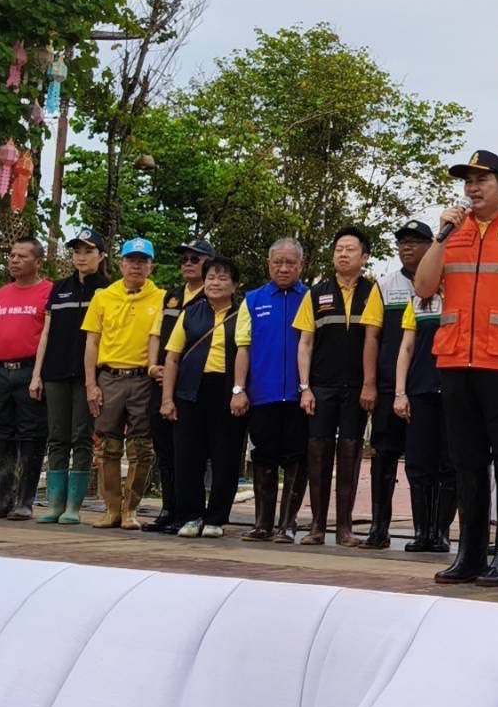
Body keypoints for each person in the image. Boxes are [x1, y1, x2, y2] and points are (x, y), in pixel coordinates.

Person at [413, 149, 498, 588]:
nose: (472, 188)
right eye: (467, 181)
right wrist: (440, 236)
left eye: (482, 180)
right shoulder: (453, 234)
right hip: (456, 362)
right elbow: (424, 286)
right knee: (466, 462)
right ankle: (469, 555)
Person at [294, 227, 382, 547]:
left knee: (350, 454)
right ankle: (317, 526)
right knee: (318, 455)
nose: (343, 254)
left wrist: (370, 385)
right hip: (321, 387)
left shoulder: (374, 292)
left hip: (357, 388)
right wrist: (305, 387)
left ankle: (344, 527)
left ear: (365, 257)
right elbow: (305, 343)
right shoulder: (316, 294)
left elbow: (375, 340)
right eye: (338, 249)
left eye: (350, 249)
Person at [161, 256, 252, 538]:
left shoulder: (242, 314)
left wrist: (240, 391)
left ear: (235, 285)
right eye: (211, 277)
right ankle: (191, 516)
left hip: (227, 392)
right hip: (190, 392)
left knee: (225, 457)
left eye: (223, 278)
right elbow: (173, 358)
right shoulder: (190, 313)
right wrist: (167, 399)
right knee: (188, 457)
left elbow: (245, 352)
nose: (215, 283)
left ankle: (216, 518)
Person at [81, 237, 165, 530]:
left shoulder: (161, 298)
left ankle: (131, 508)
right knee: (107, 446)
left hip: (142, 380)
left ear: (151, 266)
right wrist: (91, 384)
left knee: (141, 448)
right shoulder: (104, 296)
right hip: (110, 377)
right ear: (121, 263)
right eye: (131, 260)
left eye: (143, 261)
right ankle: (111, 508)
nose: (136, 266)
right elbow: (92, 342)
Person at [32, 228, 110, 525]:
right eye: (77, 251)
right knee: (57, 436)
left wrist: (97, 381)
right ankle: (54, 503)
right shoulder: (60, 288)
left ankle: (74, 506)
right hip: (55, 372)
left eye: (88, 251)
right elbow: (46, 333)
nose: (81, 257)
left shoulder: (107, 290)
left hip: (88, 376)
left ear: (101, 255)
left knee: (81, 436)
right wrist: (37, 375)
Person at [391, 229, 457, 555]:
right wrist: (400, 392)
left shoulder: (458, 298)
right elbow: (405, 348)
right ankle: (422, 532)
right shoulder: (416, 301)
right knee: (418, 462)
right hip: (419, 390)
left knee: (449, 462)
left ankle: (441, 531)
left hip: (453, 392)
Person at [0, 237, 52, 521]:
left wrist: (39, 375)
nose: (14, 260)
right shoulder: (2, 293)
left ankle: (25, 500)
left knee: (31, 435)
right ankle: (1, 498)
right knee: (3, 432)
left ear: (38, 262)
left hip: (30, 370)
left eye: (22, 256)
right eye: (12, 255)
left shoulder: (48, 291)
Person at [242, 237, 310, 543]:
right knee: (264, 458)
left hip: (299, 396)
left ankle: (288, 524)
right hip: (262, 394)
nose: (283, 268)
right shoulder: (253, 299)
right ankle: (262, 523)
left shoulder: (311, 298)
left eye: (290, 263)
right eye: (277, 263)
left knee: (297, 458)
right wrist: (238, 389)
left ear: (301, 266)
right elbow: (242, 348)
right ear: (268, 265)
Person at [144, 238, 213, 533]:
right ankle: (168, 508)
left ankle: (188, 512)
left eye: (194, 259)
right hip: (161, 382)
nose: (187, 263)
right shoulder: (171, 296)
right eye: (184, 259)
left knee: (189, 451)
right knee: (164, 450)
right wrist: (151, 366)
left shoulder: (212, 298)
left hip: (190, 386)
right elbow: (156, 335)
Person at [363, 222, 424, 550]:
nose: (407, 248)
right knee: (383, 457)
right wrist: (369, 384)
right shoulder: (385, 285)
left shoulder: (441, 282)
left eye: (415, 242)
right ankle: (378, 527)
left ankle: (426, 530)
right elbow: (372, 337)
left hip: (427, 387)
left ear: (430, 246)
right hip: (388, 387)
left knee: (423, 460)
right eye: (402, 243)